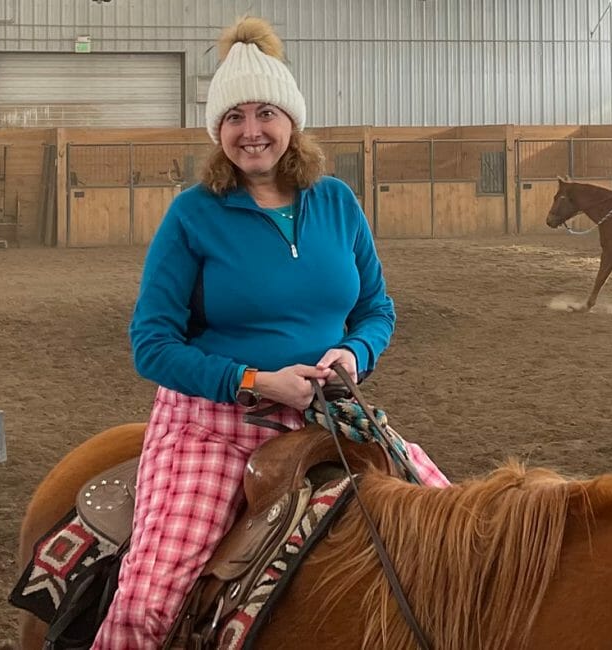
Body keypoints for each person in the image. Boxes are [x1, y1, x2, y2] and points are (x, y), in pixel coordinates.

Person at [95, 16, 448, 649]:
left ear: (291, 122)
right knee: (149, 601)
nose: (251, 131)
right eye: (233, 118)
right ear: (217, 131)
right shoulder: (193, 215)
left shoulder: (337, 201)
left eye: (265, 113)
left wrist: (353, 353)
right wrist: (256, 380)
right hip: (213, 422)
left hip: (329, 412)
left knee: (456, 532)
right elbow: (151, 344)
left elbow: (375, 308)